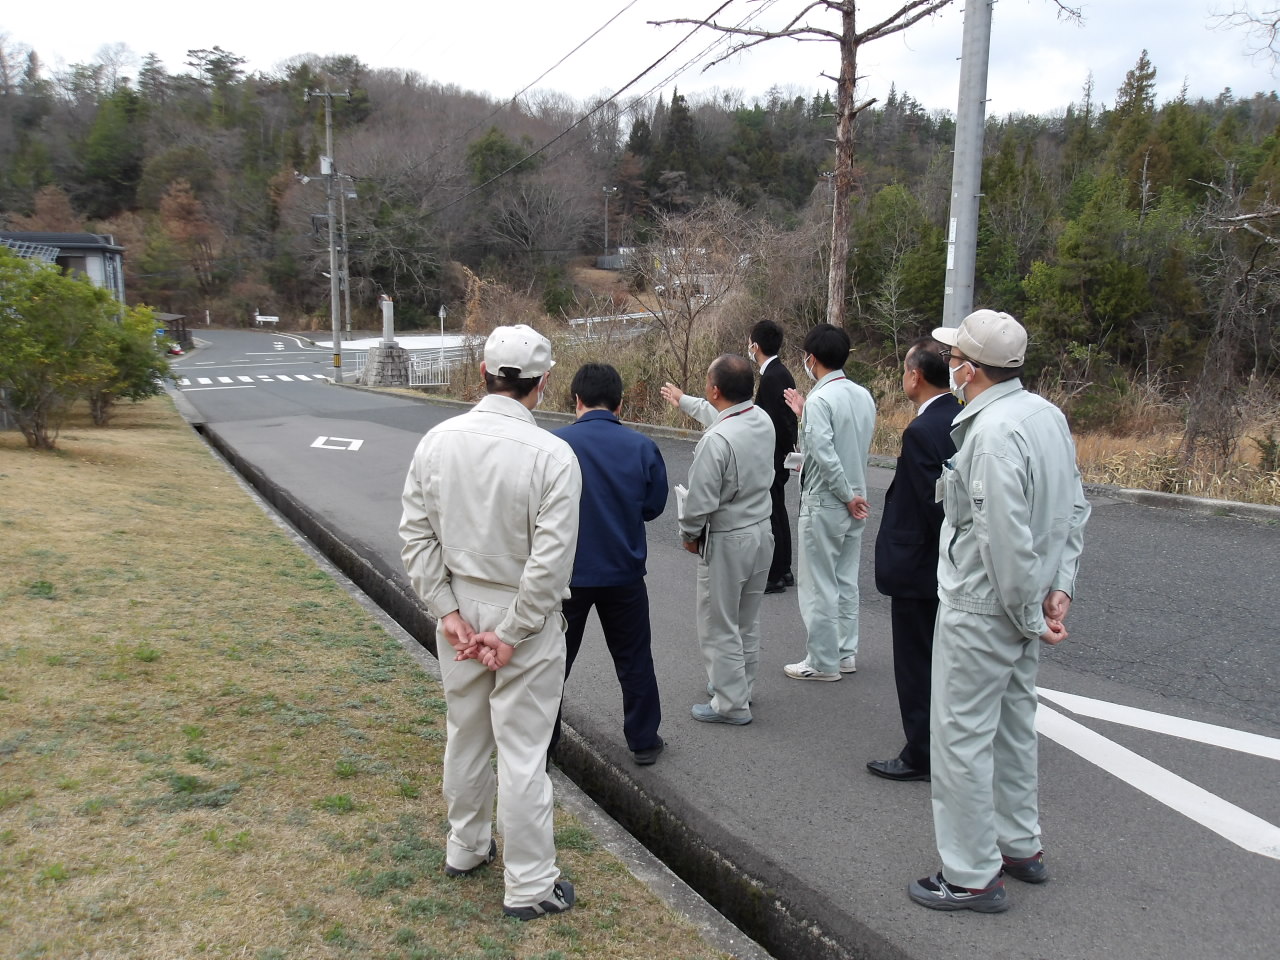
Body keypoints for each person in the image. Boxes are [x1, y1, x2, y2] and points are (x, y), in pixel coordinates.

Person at [908, 309, 1090, 914]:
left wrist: (1027, 611)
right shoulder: (1047, 416)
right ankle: (1019, 845)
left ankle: (969, 875)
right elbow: (1073, 507)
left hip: (986, 605)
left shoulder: (989, 434)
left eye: (955, 355)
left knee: (959, 738)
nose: (949, 362)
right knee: (1014, 729)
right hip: (1026, 599)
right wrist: (1057, 587)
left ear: (972, 368)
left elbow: (1002, 537)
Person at [399, 324, 581, 921]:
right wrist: (511, 633)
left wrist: (447, 611)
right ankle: (529, 886)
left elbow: (417, 534)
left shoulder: (438, 440)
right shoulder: (554, 455)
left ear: (484, 372)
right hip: (520, 613)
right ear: (542, 382)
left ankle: (466, 845)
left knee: (466, 732)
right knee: (523, 751)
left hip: (459, 603)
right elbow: (550, 564)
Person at [550, 363, 668, 766]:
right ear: (620, 403)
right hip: (624, 572)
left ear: (576, 400)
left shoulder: (554, 445)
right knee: (634, 658)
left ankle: (543, 740)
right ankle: (644, 740)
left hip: (567, 576)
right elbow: (653, 507)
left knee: (552, 663)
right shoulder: (641, 447)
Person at [660, 355, 774, 725]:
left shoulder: (716, 440)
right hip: (761, 531)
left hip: (728, 539)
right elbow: (719, 417)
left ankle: (729, 704)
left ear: (714, 390)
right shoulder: (760, 419)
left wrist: (689, 534)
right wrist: (684, 400)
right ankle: (740, 687)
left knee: (719, 623)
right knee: (746, 620)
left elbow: (699, 502)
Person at [867, 338, 960, 781]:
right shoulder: (963, 415)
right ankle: (946, 744)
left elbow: (933, 505)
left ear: (915, 376)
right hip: (950, 568)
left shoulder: (922, 430)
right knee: (944, 660)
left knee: (916, 661)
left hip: (921, 565)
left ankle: (920, 753)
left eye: (905, 370)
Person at [780, 323, 875, 682]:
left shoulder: (821, 400)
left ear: (812, 358)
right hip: (857, 500)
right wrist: (854, 496)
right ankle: (845, 652)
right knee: (845, 581)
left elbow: (822, 453)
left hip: (828, 501)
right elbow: (850, 444)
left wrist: (846, 495)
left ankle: (822, 661)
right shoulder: (862, 395)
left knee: (819, 584)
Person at [747, 320, 799, 594]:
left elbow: (774, 422)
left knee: (772, 514)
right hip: (781, 453)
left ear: (755, 345)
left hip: (773, 455)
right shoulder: (781, 372)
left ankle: (775, 573)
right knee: (778, 509)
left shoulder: (771, 377)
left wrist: (776, 455)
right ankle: (785, 568)